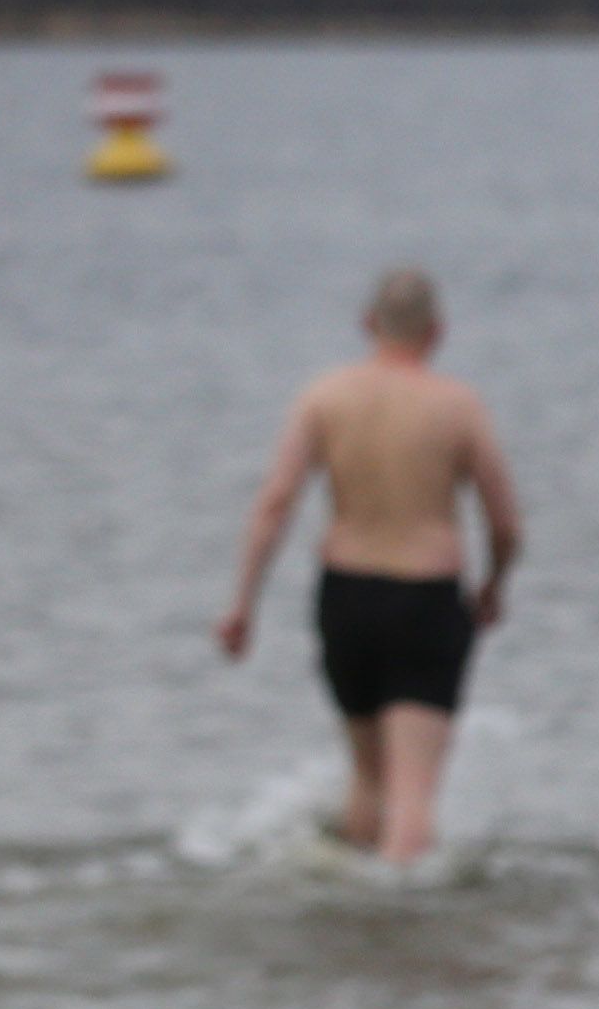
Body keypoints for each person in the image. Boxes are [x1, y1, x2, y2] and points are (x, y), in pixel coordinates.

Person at [214, 266, 522, 869]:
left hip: (346, 596)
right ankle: (400, 934)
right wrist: (493, 586)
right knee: (413, 795)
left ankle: (354, 930)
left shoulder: (324, 397)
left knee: (368, 779)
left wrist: (242, 605)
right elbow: (505, 521)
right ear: (437, 333)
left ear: (366, 325)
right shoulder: (456, 406)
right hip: (427, 598)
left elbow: (275, 503)